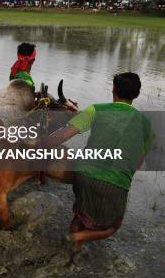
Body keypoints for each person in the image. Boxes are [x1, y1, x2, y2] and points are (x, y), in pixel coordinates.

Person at [40, 72, 153, 252]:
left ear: (114, 89)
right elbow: (137, 164)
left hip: (83, 176)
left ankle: (72, 250)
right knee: (113, 227)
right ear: (137, 94)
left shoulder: (95, 109)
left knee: (79, 215)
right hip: (116, 183)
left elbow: (61, 136)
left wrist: (36, 145)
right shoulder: (147, 125)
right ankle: (77, 238)